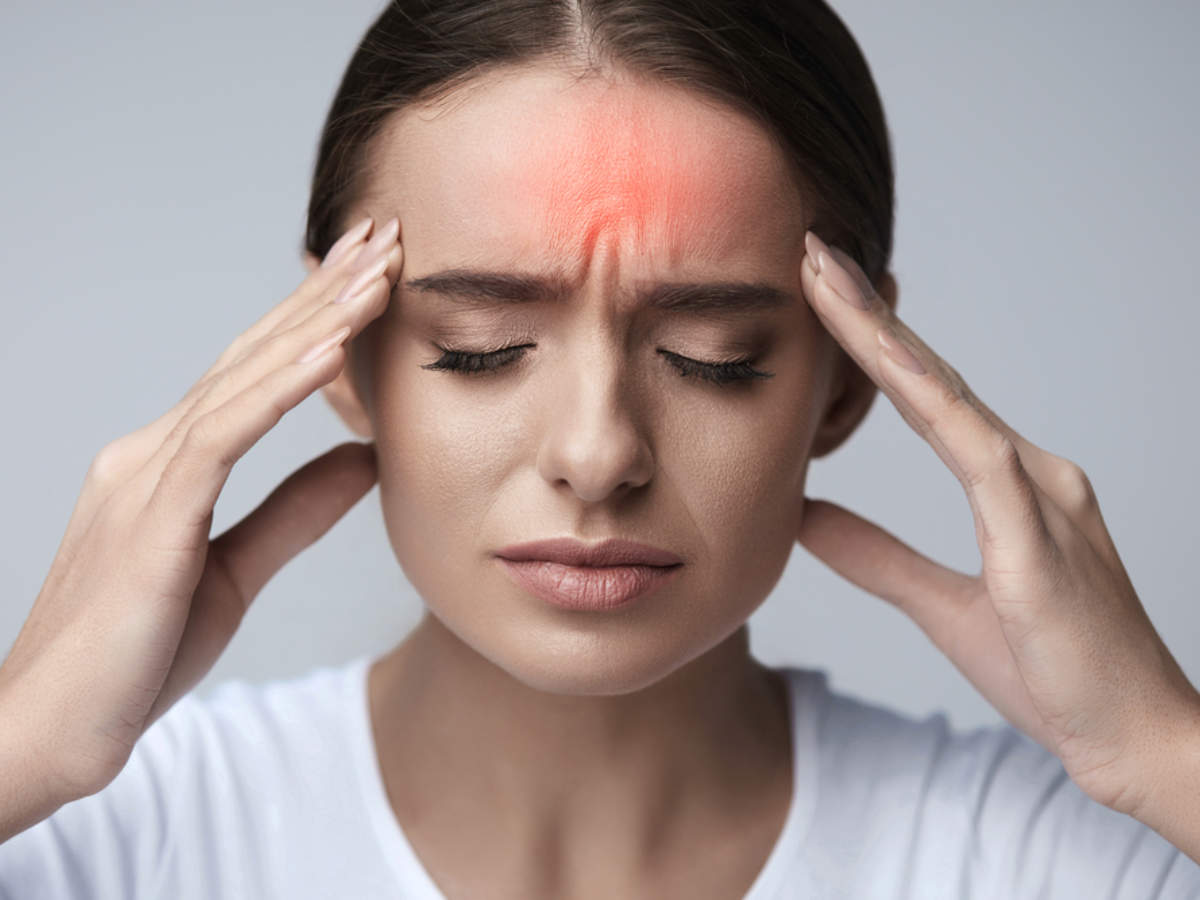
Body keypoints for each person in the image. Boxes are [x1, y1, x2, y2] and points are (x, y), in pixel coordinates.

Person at [2, 1, 1199, 897]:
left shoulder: (1041, 861)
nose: (596, 453)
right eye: (479, 346)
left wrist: (1162, 749)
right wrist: (22, 745)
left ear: (849, 380)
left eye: (714, 356)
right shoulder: (103, 836)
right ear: (342, 357)